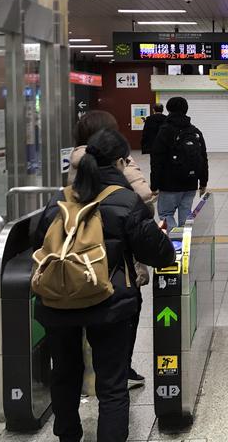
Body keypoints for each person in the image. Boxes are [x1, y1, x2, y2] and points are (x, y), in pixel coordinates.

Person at [32, 129, 175, 442]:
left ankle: (68, 436)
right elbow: (160, 254)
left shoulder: (60, 198)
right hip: (108, 304)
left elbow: (37, 241)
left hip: (57, 303)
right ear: (121, 162)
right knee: (111, 385)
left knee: (65, 375)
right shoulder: (125, 200)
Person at [69, 110, 153, 389]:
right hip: (116, 260)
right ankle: (119, 372)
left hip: (77, 258)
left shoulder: (72, 162)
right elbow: (142, 199)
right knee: (123, 315)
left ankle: (86, 374)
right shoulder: (118, 161)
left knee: (80, 318)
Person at [151, 97, 209, 228]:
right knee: (185, 215)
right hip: (190, 182)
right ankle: (185, 244)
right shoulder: (195, 131)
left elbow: (156, 159)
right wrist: (203, 182)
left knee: (166, 214)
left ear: (168, 109)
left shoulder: (165, 131)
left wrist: (154, 185)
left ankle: (174, 245)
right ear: (186, 109)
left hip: (169, 184)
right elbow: (203, 157)